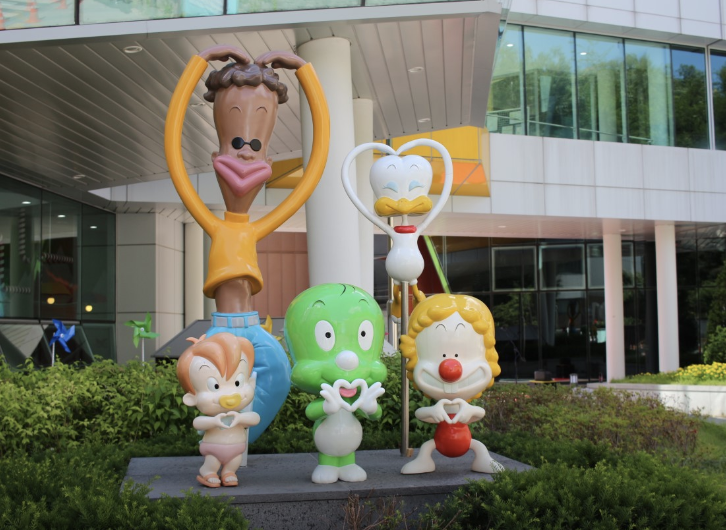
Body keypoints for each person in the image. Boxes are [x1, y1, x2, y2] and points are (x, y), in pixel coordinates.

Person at [165, 45, 330, 441]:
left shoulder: (255, 227)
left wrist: (306, 72)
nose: (244, 156)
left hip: (252, 327)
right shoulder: (213, 222)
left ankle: (238, 440)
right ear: (215, 155)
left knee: (279, 375)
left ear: (268, 161)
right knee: (209, 382)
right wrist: (199, 60)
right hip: (221, 329)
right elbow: (172, 144)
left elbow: (318, 158)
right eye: (235, 143)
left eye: (256, 147)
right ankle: (224, 442)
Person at [177, 333, 260, 487]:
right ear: (191, 398)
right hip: (213, 449)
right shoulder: (212, 419)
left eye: (237, 383)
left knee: (234, 461)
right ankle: (208, 471)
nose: (229, 395)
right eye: (215, 386)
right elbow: (198, 423)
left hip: (236, 449)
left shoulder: (238, 415)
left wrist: (240, 418)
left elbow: (255, 418)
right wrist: (214, 421)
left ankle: (229, 472)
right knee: (212, 462)